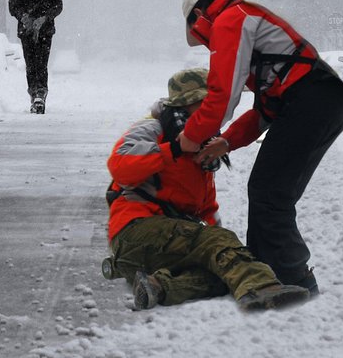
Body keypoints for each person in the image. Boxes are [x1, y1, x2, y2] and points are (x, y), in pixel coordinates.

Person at [178, 0, 343, 296]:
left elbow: (222, 96)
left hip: (314, 100)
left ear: (200, 16)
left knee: (271, 193)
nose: (206, 47)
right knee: (266, 189)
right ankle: (266, 274)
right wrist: (225, 142)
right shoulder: (243, 17)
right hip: (318, 100)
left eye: (202, 41)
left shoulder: (231, 18)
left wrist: (190, 138)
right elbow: (264, 111)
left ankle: (297, 283)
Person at [104, 68, 310, 312]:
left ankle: (157, 286)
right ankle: (261, 289)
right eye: (205, 103)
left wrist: (226, 252)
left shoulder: (203, 145)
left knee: (225, 271)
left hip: (155, 253)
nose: (213, 112)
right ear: (185, 103)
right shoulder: (154, 129)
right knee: (220, 246)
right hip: (136, 233)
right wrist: (175, 149)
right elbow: (120, 166)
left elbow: (205, 210)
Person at [8, 0, 63, 114]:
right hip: (25, 30)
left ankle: (41, 93)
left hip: (45, 31)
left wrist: (44, 18)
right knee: (30, 64)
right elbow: (13, 6)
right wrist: (23, 16)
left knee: (41, 63)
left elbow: (58, 5)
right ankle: (33, 93)